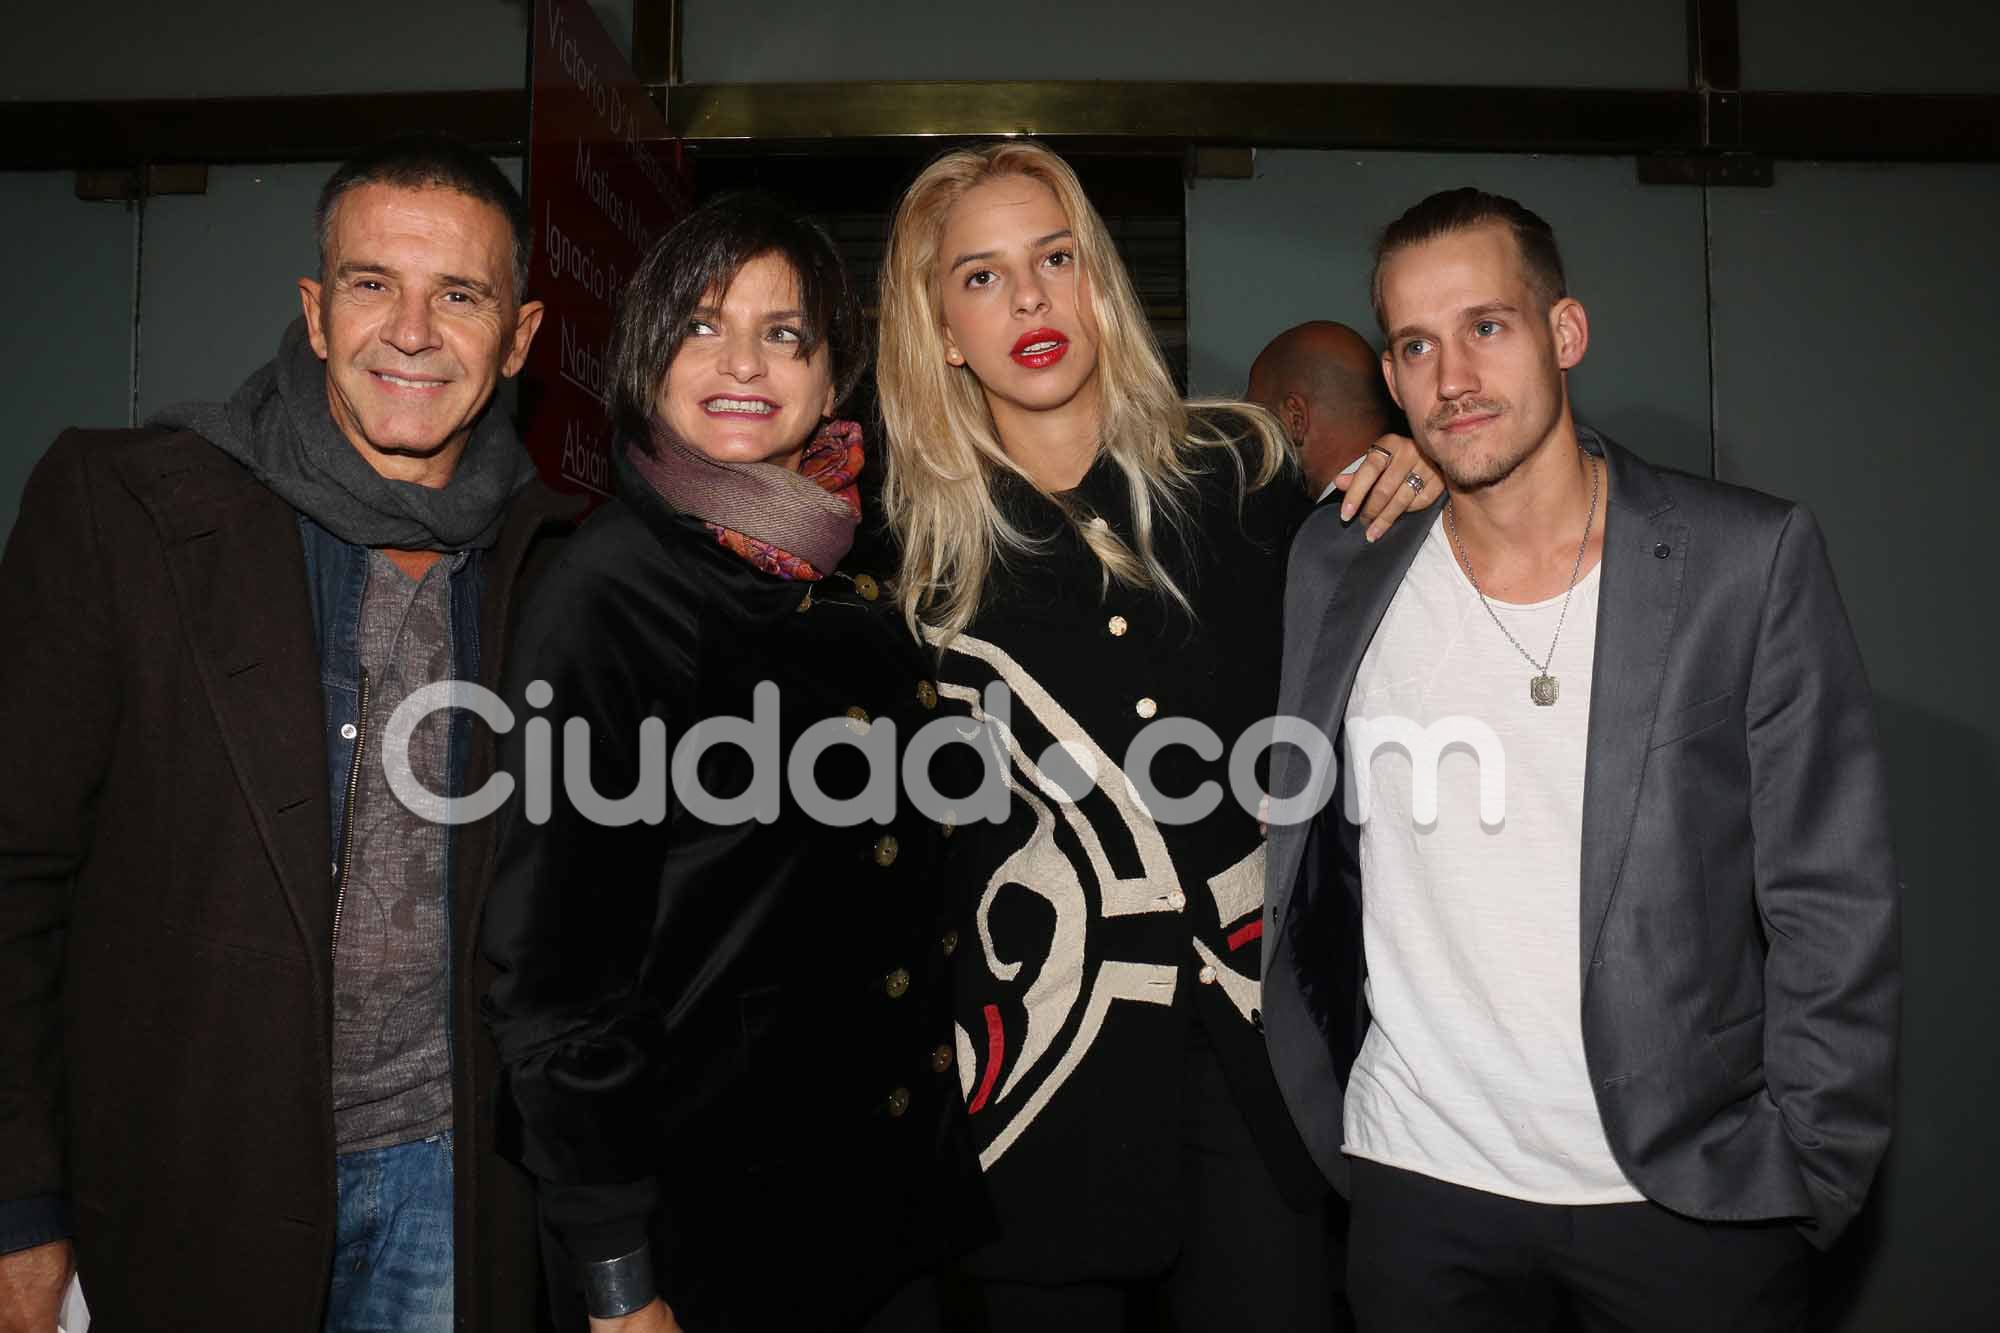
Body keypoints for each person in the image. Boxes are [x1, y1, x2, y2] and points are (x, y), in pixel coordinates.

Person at [1262, 187, 1899, 1331]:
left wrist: (1812, 1159)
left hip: (1683, 1192)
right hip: (1417, 1185)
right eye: (1414, 344)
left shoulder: (1739, 561)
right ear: (1390, 378)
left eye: (1485, 328)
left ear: (1563, 334)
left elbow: (1829, 892)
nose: (1451, 374)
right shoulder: (1338, 564)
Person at [0, 134, 570, 1330]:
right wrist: (20, 1210)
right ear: (316, 313)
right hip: (183, 1187)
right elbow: (13, 882)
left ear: (517, 338)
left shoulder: (557, 562)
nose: (409, 331)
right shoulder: (125, 509)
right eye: (372, 283)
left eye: (458, 294)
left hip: (451, 1184)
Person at [874, 140, 1433, 1332]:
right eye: (980, 277)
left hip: (1262, 1085)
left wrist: (1427, 480)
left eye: (1054, 257)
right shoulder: (904, 565)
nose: (1027, 298)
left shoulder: (1244, 474)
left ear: (1096, 280)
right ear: (938, 330)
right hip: (1031, 1103)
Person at [480, 194, 990, 1333]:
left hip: (879, 1202)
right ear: (644, 359)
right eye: (701, 325)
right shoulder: (608, 588)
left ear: (829, 376)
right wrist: (619, 1278)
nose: (743, 363)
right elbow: (551, 979)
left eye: (785, 334)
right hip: (703, 1226)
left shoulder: (849, 557)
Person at [1245, 320, 1408, 502]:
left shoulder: (1327, 524)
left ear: (1296, 418)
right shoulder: (1429, 498)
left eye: (1258, 422)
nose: (1252, 442)